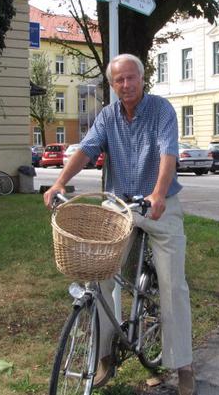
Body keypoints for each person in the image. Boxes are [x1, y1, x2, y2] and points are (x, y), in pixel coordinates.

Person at [43, 53, 196, 395]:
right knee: (100, 277)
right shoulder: (108, 117)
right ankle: (104, 355)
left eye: (130, 78)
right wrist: (59, 182)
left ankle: (182, 365)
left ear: (142, 79)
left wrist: (158, 194)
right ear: (111, 85)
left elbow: (167, 153)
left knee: (173, 285)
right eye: (118, 80)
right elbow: (85, 150)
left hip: (160, 205)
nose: (125, 85)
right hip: (120, 206)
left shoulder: (161, 111)